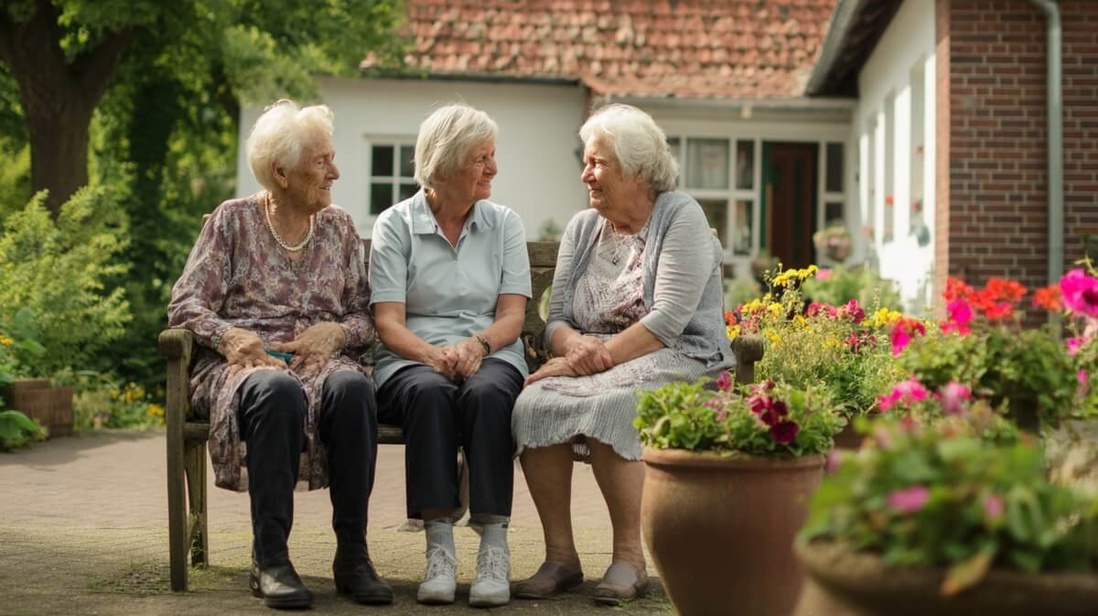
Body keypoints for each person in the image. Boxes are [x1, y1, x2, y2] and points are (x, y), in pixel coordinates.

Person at [167, 99, 391, 610]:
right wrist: (229, 337)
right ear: (281, 172)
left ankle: (352, 556)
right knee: (277, 390)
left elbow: (364, 317)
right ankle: (270, 558)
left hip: (322, 363)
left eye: (332, 158)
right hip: (243, 366)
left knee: (354, 388)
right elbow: (185, 301)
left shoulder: (338, 228)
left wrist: (334, 332)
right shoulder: (233, 222)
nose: (335, 171)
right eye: (321, 162)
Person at [510, 103, 734, 605]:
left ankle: (630, 560)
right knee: (533, 402)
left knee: (615, 403)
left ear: (637, 170)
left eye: (598, 163)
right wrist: (570, 347)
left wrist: (580, 361)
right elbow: (559, 319)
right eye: (586, 161)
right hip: (600, 361)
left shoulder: (682, 217)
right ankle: (561, 558)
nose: (586, 174)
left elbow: (666, 322)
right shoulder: (583, 228)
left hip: (684, 358)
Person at [369, 103, 530, 608]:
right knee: (430, 393)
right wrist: (433, 356)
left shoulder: (504, 224)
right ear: (441, 166)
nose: (493, 169)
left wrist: (477, 346)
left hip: (491, 352)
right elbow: (388, 322)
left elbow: (511, 316)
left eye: (492, 155)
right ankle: (438, 547)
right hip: (412, 360)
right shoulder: (396, 225)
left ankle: (493, 549)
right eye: (481, 158)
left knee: (487, 395)